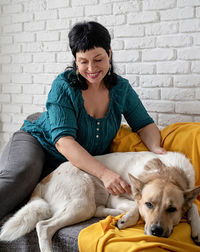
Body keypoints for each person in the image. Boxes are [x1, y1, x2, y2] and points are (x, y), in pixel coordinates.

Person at [0, 21, 165, 220]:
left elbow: (144, 124)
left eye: (98, 59)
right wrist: (104, 174)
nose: (92, 68)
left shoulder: (121, 89)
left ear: (109, 54)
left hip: (74, 164)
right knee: (23, 176)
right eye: (83, 61)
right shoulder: (63, 86)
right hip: (40, 141)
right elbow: (64, 142)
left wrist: (157, 149)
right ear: (75, 61)